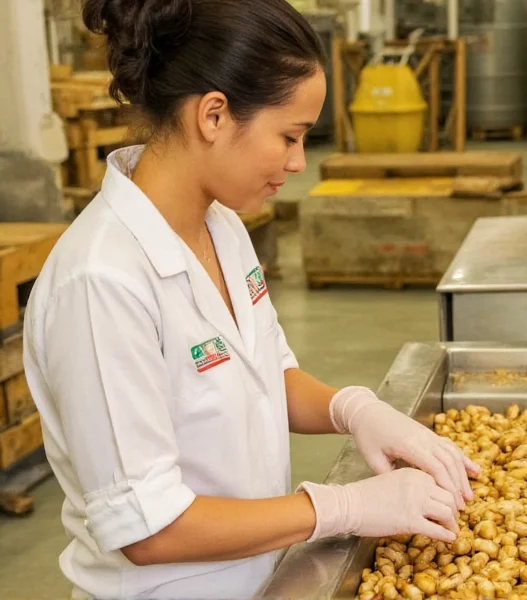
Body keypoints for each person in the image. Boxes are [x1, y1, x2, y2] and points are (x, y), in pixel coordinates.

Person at [22, 0, 480, 598]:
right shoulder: (101, 282)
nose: (297, 162)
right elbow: (148, 530)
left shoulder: (223, 226)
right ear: (214, 115)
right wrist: (338, 507)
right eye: (288, 136)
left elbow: (265, 373)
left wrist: (356, 408)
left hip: (261, 574)